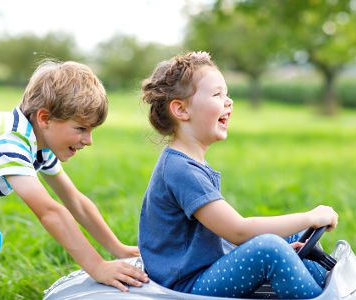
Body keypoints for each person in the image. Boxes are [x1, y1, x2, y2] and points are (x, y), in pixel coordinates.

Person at [138, 51, 338, 299]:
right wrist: (311, 217)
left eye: (227, 94)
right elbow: (238, 230)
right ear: (181, 109)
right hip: (185, 286)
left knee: (290, 236)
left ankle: (331, 290)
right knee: (270, 249)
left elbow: (220, 238)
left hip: (202, 271)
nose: (229, 101)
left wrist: (292, 237)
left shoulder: (188, 163)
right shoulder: (180, 170)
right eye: (217, 94)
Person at [0, 60, 148, 292]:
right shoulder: (10, 141)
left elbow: (75, 201)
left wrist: (117, 248)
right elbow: (50, 211)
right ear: (44, 118)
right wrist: (97, 266)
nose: (88, 140)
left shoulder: (40, 146)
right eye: (81, 129)